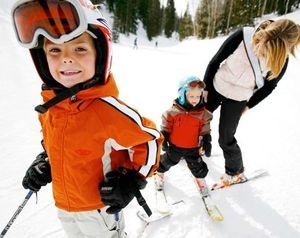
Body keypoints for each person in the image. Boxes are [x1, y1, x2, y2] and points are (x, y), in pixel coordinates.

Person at [11, 0, 163, 237]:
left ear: (100, 54)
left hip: (99, 209)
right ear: (42, 58)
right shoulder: (51, 109)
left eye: (79, 49)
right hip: (64, 204)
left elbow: (150, 139)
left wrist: (132, 178)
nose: (66, 59)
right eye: (54, 50)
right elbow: (53, 142)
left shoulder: (106, 110)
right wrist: (45, 161)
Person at [202, 19, 300, 187]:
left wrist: (249, 105)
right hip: (218, 85)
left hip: (239, 97)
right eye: (264, 44)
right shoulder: (244, 35)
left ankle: (235, 172)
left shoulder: (280, 60)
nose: (262, 50)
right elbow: (215, 61)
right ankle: (200, 146)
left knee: (226, 137)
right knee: (200, 119)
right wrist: (206, 86)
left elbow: (268, 87)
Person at [155, 76, 212, 188]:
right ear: (182, 95)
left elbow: (205, 127)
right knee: (167, 161)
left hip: (193, 148)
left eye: (198, 96)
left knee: (197, 166)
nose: (195, 99)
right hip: (175, 146)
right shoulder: (173, 112)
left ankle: (200, 178)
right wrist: (164, 136)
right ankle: (159, 172)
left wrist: (206, 139)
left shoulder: (202, 113)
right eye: (191, 96)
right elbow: (166, 124)